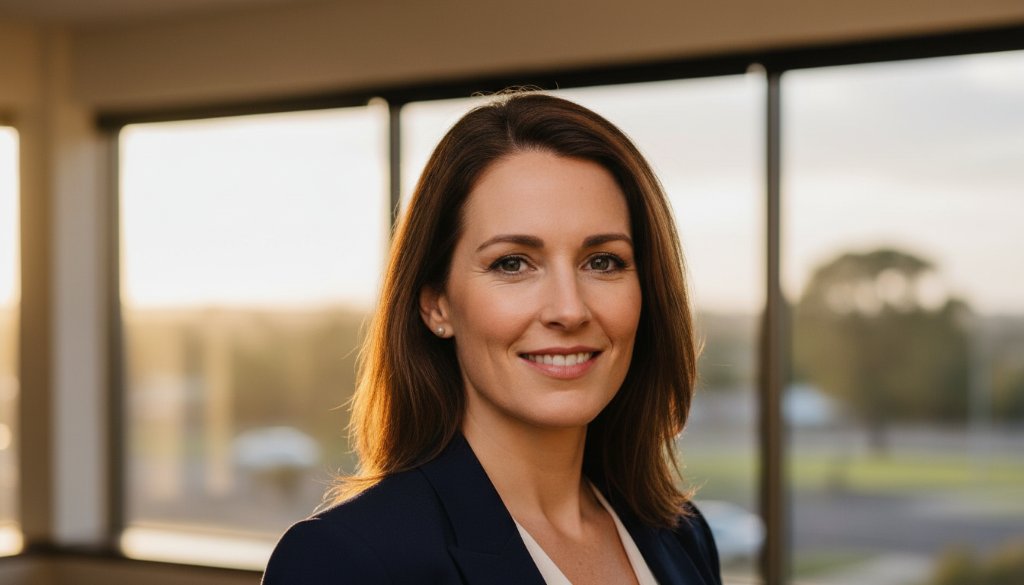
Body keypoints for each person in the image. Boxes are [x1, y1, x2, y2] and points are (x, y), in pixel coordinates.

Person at [262, 92, 722, 585]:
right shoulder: (343, 562)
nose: (569, 309)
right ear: (437, 304)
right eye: (512, 263)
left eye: (602, 261)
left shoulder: (682, 536)